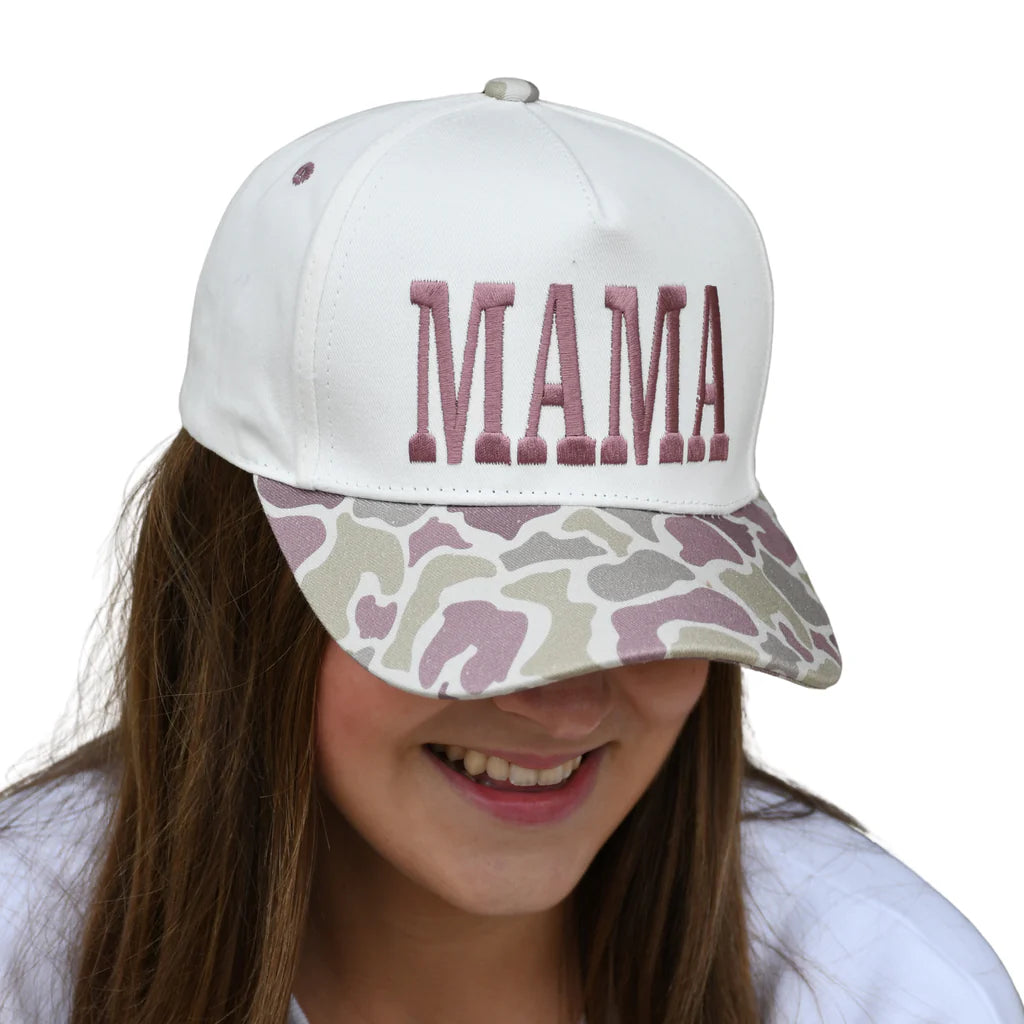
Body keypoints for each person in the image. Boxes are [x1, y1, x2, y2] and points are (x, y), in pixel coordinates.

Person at [0, 76, 1020, 1024]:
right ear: (242, 573)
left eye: (647, 602)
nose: (566, 704)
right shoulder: (23, 954)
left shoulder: (893, 988)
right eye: (464, 612)